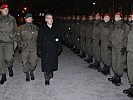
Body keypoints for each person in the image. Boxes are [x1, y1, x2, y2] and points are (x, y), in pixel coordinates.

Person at [37, 13, 61, 85]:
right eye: (49, 18)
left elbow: (59, 38)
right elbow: (39, 39)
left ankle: (51, 72)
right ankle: (46, 78)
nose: (51, 20)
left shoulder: (56, 27)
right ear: (46, 20)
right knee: (46, 63)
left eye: (52, 18)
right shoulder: (42, 28)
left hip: (53, 48)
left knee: (52, 62)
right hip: (45, 49)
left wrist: (59, 47)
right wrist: (39, 49)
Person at [108, 12, 129, 86]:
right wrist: (110, 44)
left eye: (117, 16)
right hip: (114, 46)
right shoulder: (114, 25)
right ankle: (115, 75)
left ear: (121, 17)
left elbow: (126, 37)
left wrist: (124, 46)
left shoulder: (124, 26)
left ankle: (118, 77)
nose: (116, 17)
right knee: (114, 61)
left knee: (119, 62)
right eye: (115, 15)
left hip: (120, 47)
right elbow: (111, 35)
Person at [18, 14, 38, 82]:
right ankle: (27, 73)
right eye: (28, 18)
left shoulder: (36, 27)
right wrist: (20, 45)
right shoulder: (21, 28)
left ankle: (31, 71)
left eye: (30, 18)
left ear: (32, 19)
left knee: (33, 62)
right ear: (25, 19)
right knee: (25, 61)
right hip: (25, 47)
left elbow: (39, 38)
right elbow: (18, 38)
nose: (29, 19)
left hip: (33, 47)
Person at [0, 4, 17, 85]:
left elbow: (15, 30)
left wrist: (15, 41)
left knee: (9, 58)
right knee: (1, 60)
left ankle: (10, 67)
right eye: (4, 9)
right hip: (0, 42)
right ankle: (3, 75)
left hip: (9, 42)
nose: (6, 11)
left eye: (7, 9)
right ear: (0, 10)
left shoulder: (12, 19)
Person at [123, 12, 133, 97]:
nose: (130, 17)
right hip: (130, 50)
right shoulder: (130, 26)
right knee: (130, 69)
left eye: (132, 16)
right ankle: (132, 86)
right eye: (130, 16)